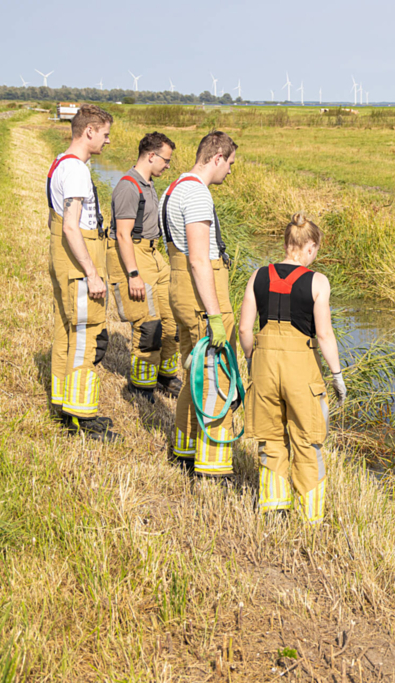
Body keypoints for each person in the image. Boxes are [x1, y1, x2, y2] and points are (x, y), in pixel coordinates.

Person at [239, 213, 347, 523]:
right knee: (307, 440)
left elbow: (246, 330)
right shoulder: (317, 281)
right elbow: (324, 334)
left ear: (286, 244)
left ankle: (274, 508)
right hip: (300, 368)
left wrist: (252, 361)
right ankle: (310, 517)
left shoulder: (258, 275)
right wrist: (337, 375)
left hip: (263, 366)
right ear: (310, 247)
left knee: (270, 439)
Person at [163, 131, 239, 476]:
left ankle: (184, 448)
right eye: (230, 164)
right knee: (214, 377)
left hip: (181, 290)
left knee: (193, 370)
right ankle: (211, 464)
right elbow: (198, 259)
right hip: (201, 296)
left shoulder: (175, 186)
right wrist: (216, 315)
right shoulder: (196, 193)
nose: (229, 171)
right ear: (217, 157)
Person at [47, 104, 118, 440]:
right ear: (89, 131)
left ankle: (63, 405)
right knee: (85, 336)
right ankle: (82, 414)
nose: (107, 141)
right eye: (105, 134)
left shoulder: (60, 163)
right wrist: (91, 272)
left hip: (64, 261)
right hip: (78, 263)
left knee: (67, 331)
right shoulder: (76, 170)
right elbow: (72, 227)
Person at [106, 132, 181, 401]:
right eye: (166, 159)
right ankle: (141, 387)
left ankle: (166, 377)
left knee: (172, 322)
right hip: (135, 255)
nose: (168, 165)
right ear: (151, 156)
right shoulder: (128, 186)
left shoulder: (147, 183)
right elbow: (123, 234)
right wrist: (133, 274)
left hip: (154, 254)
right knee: (149, 326)